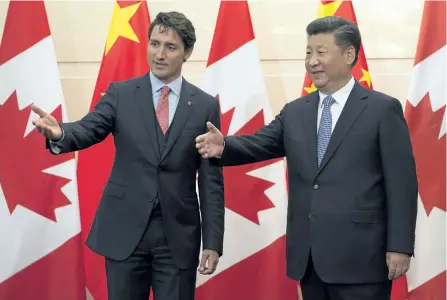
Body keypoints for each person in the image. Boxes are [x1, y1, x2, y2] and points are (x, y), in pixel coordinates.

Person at [195, 16, 418, 300]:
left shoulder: (381, 109)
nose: (312, 61)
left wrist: (400, 246)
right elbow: (260, 143)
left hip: (362, 258)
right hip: (310, 259)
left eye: (321, 52)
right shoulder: (296, 111)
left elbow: (402, 185)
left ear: (349, 54)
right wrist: (223, 145)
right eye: (308, 52)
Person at [31, 11, 224, 300]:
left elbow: (211, 181)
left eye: (170, 47)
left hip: (177, 236)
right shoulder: (120, 94)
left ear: (187, 53)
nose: (159, 54)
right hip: (124, 231)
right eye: (154, 43)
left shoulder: (204, 105)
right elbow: (90, 128)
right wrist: (61, 133)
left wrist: (213, 242)